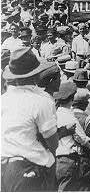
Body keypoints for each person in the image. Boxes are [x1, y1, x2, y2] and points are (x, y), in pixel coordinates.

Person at [1, 48, 58, 192]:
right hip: (29, 168)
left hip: (4, 166)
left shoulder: (4, 99)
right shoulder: (41, 101)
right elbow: (53, 143)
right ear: (36, 74)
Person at [54, 81, 90, 191]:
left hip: (56, 158)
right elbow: (82, 138)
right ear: (71, 99)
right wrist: (88, 145)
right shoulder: (70, 117)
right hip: (69, 158)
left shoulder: (54, 114)